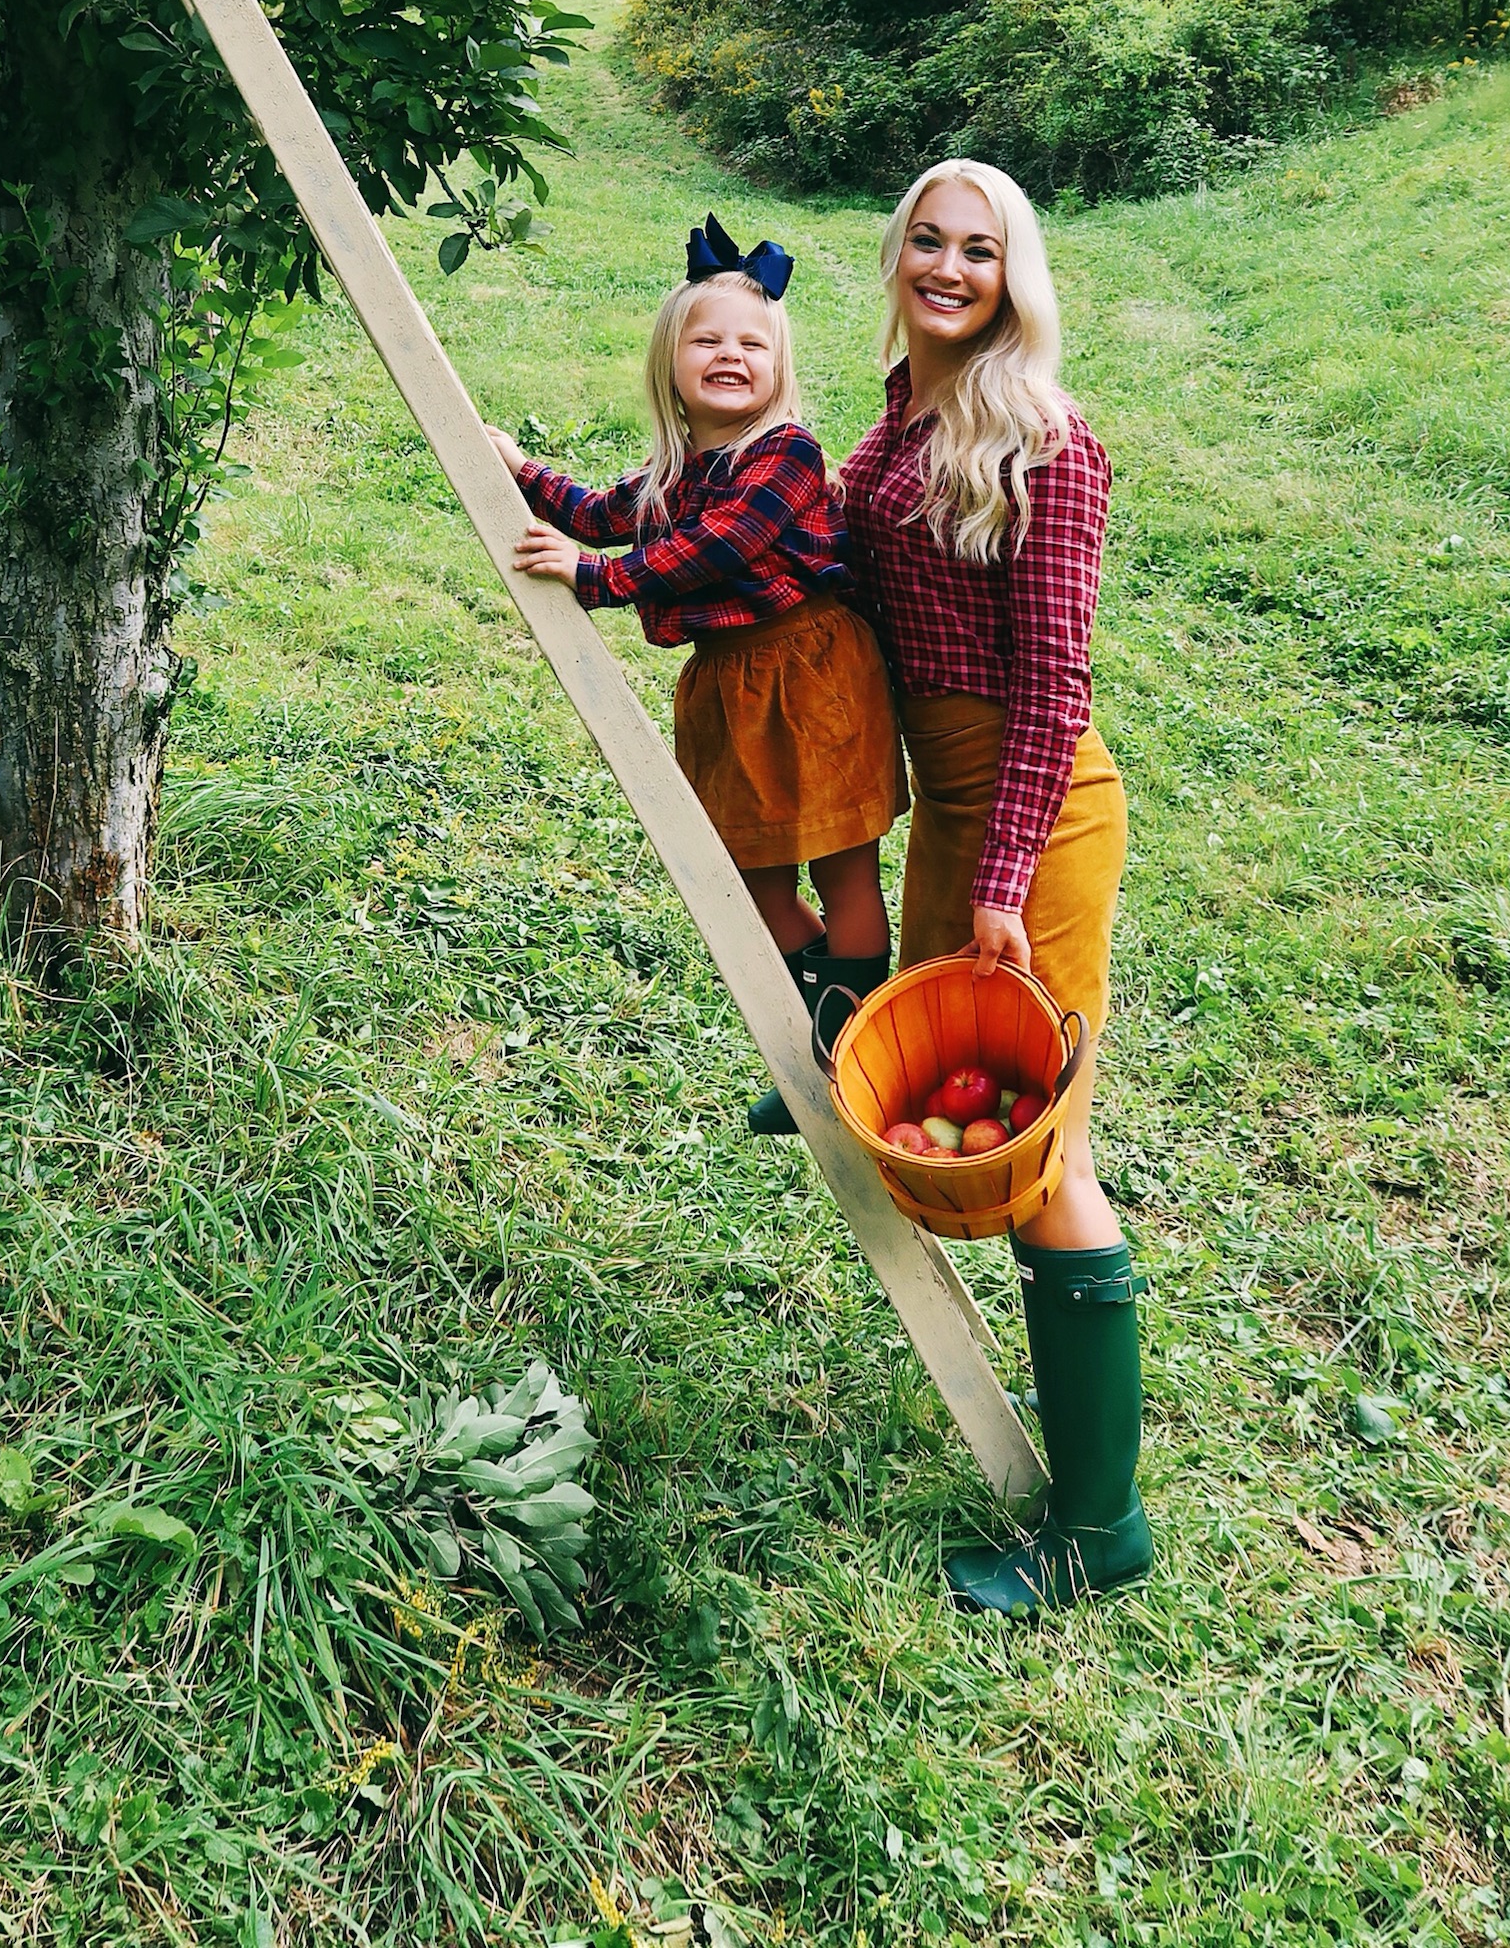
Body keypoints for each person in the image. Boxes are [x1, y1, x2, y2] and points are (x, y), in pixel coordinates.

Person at [839, 158, 1149, 1614]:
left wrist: (1007, 870)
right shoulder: (905, 411)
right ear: (898, 254)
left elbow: (1054, 683)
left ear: (1015, 273)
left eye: (980, 249)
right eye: (927, 241)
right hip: (954, 818)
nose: (949, 267)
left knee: (1041, 1153)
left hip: (1035, 819)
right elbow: (811, 548)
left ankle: (1099, 1530)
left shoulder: (1046, 439)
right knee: (945, 1102)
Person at [487, 213, 904, 1119]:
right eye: (706, 338)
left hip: (812, 669)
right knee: (748, 875)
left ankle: (852, 1057)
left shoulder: (784, 453)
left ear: (779, 367)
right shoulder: (676, 467)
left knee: (842, 864)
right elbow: (604, 511)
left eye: (752, 343)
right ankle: (846, 1029)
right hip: (730, 686)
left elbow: (719, 547)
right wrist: (523, 472)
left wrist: (599, 581)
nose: (729, 354)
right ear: (671, 361)